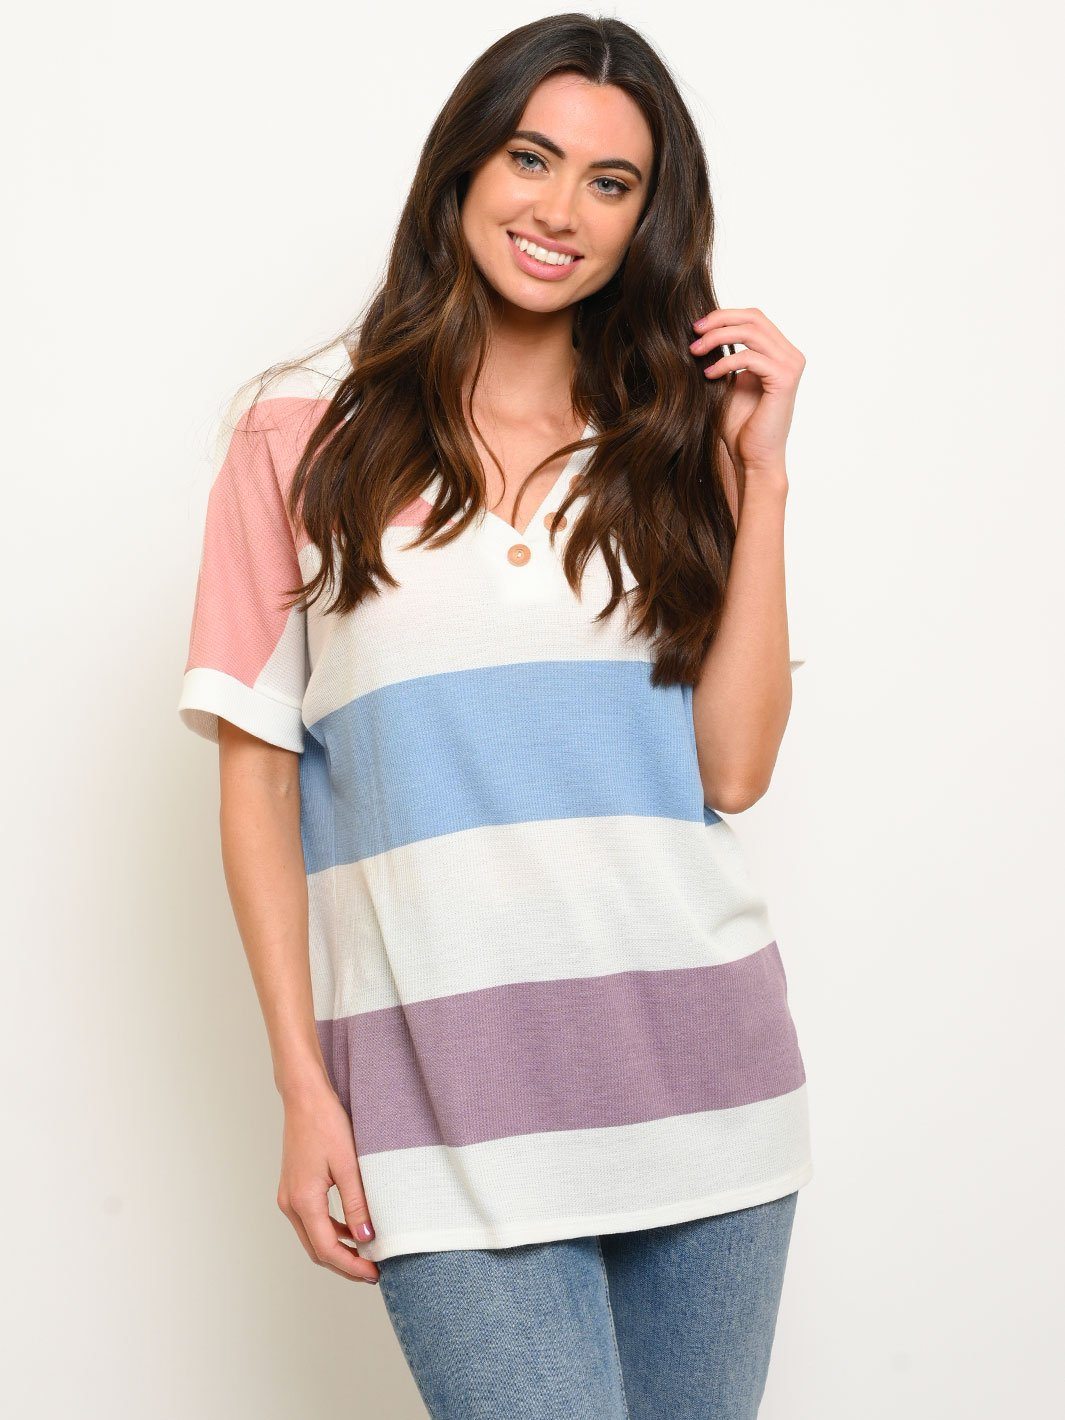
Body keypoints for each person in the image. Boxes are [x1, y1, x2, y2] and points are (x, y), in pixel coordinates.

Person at [177, 13, 812, 1418]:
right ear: (464, 167)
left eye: (609, 181)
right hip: (443, 1113)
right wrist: (303, 1087)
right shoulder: (301, 438)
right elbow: (255, 780)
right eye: (531, 157)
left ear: (646, 220)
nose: (560, 209)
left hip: (709, 1090)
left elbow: (733, 768)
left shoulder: (673, 446)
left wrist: (760, 479)